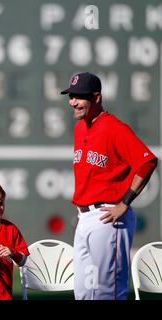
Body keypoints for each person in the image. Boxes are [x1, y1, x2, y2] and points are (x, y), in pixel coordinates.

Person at [60, 72, 158, 300]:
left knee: (108, 292)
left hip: (108, 217)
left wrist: (124, 204)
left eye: (79, 97)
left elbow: (147, 162)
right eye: (71, 96)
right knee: (83, 292)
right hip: (85, 218)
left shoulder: (115, 128)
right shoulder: (80, 128)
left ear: (96, 97)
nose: (73, 102)